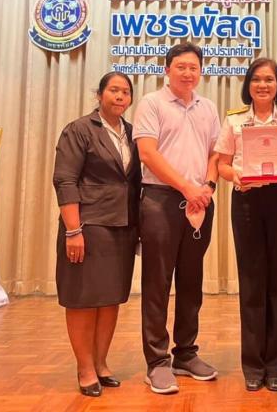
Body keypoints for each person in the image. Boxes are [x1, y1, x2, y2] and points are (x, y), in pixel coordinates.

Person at [215, 58, 277, 392]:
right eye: (256, 79)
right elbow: (223, 165)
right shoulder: (234, 120)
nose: (263, 85)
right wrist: (236, 176)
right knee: (252, 282)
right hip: (247, 201)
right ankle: (253, 365)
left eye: (269, 80)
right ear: (248, 84)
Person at [133, 42, 221, 395]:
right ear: (167, 69)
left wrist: (208, 187)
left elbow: (216, 153)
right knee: (157, 282)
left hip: (201, 201)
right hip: (160, 200)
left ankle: (186, 353)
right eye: (181, 66)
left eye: (193, 67)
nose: (187, 73)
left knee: (191, 280)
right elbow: (147, 153)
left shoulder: (208, 107)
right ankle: (157, 361)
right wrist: (186, 187)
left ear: (201, 71)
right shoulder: (151, 103)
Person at [52, 71, 141, 397]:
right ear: (100, 94)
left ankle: (101, 363)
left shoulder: (132, 133)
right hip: (88, 227)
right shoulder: (79, 130)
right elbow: (65, 180)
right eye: (114, 90)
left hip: (122, 228)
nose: (120, 96)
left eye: (125, 92)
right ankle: (85, 368)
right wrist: (73, 230)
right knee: (83, 299)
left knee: (110, 299)